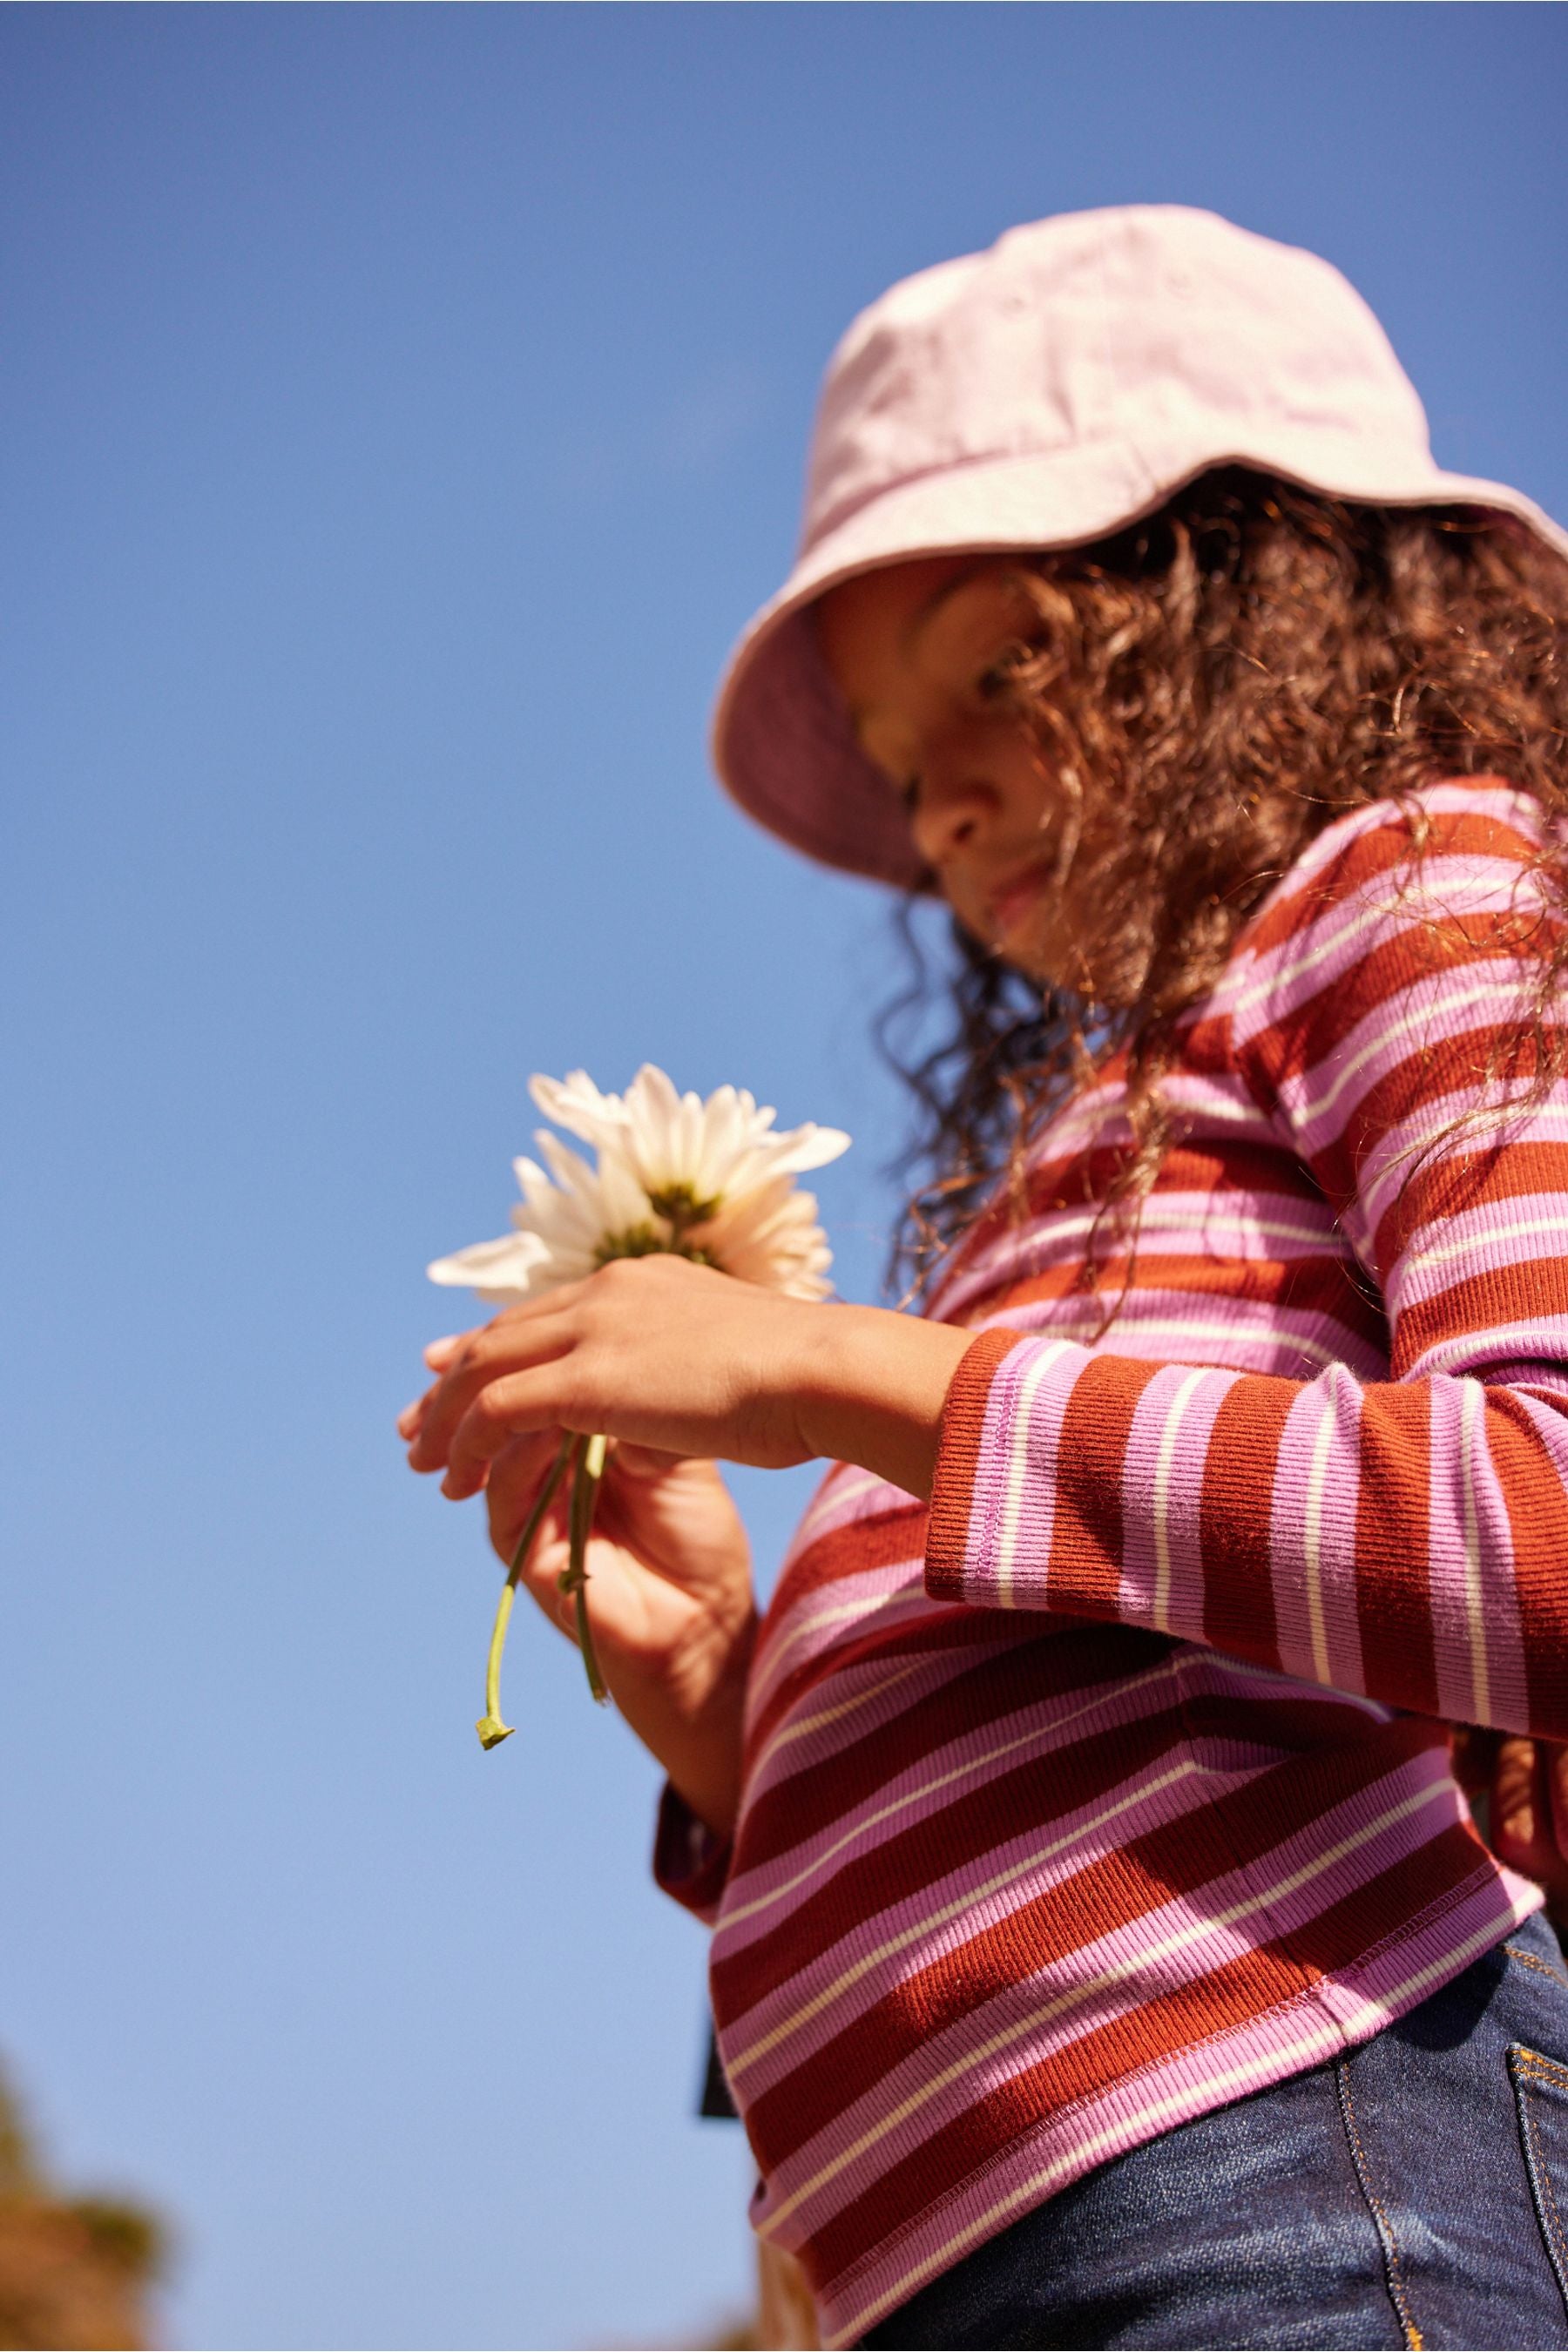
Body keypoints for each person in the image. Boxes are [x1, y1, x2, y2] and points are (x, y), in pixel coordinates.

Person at [399, 209, 1568, 2349]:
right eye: (897, 753)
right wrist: (726, 1700)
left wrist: (843, 1377)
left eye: (1005, 665)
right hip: (951, 2259)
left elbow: (1545, 1513)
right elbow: (1092, 1720)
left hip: (1285, 2160)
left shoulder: (1409, 882)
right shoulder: (1073, 1161)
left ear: (1260, 589)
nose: (937, 801)